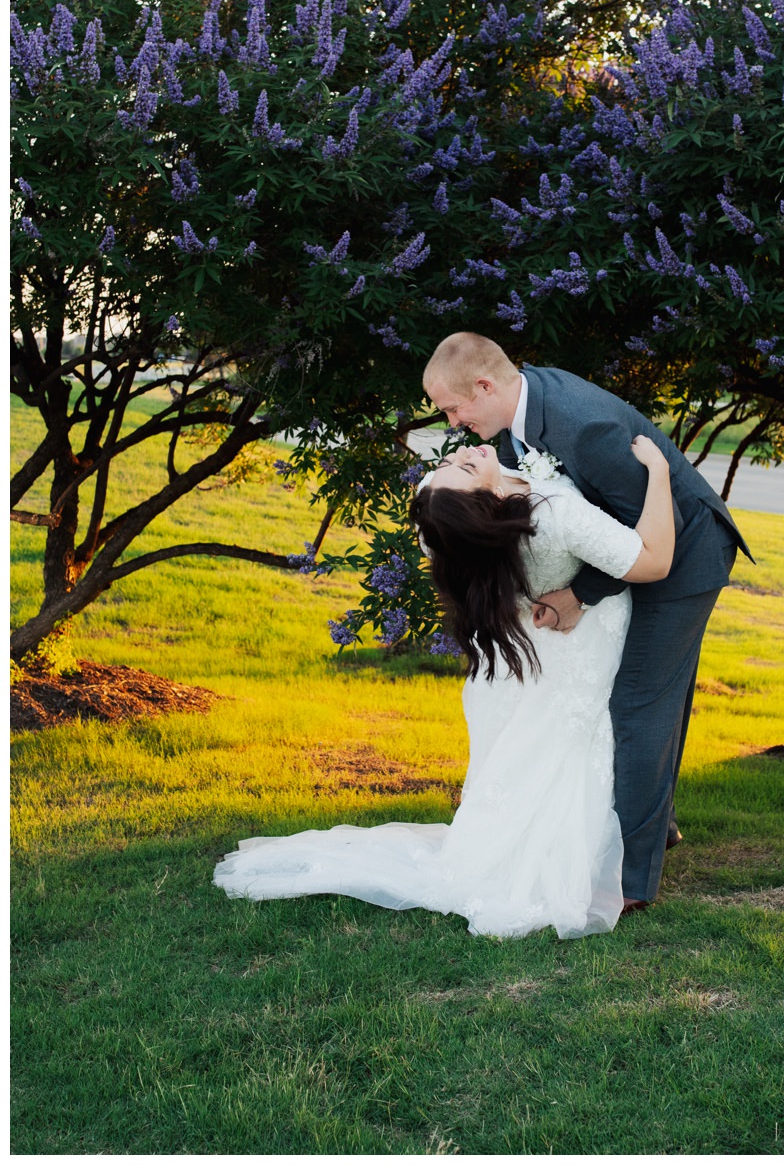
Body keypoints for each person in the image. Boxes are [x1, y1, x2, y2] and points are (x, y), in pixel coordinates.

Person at [215, 433, 676, 938]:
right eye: (468, 468)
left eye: (458, 460)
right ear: (487, 505)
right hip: (578, 636)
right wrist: (659, 471)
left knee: (541, 752)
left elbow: (450, 493)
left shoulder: (443, 512)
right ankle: (611, 849)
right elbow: (653, 562)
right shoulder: (555, 518)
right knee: (573, 749)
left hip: (534, 641)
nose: (466, 454)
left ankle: (646, 828)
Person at [416, 333, 751, 914]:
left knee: (640, 708)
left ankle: (632, 881)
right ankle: (655, 822)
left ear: (486, 386)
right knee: (656, 702)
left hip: (683, 558)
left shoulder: (582, 427)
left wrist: (578, 594)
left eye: (453, 407)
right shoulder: (519, 412)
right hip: (638, 554)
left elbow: (650, 521)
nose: (451, 422)